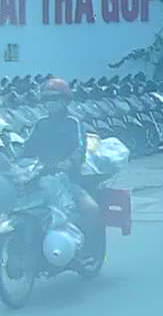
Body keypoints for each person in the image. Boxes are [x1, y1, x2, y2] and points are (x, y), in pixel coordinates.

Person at [19, 77, 103, 257]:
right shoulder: (40, 123)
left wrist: (68, 163)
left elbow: (80, 148)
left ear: (65, 100)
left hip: (68, 181)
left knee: (92, 209)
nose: (49, 103)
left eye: (54, 98)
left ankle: (87, 250)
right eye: (46, 98)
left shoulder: (74, 122)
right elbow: (27, 149)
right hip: (40, 179)